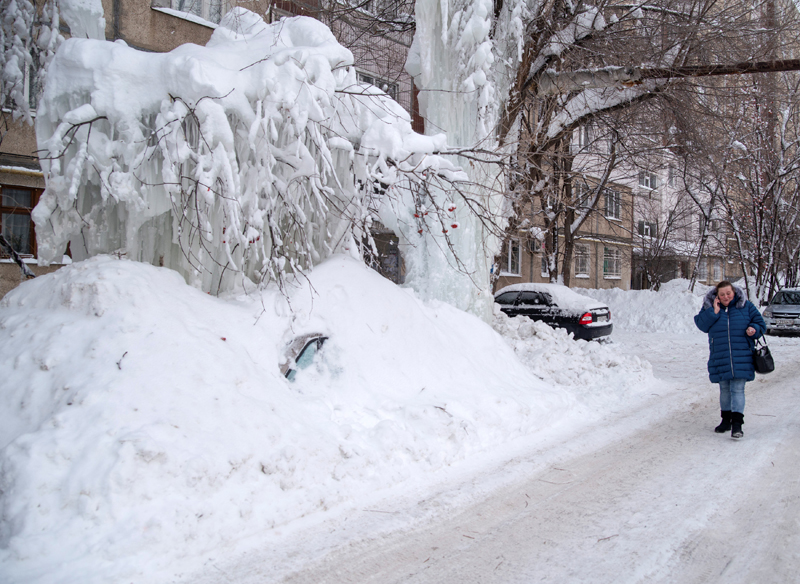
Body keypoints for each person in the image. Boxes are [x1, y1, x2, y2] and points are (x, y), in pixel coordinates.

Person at [694, 280, 766, 438]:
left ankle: (737, 425)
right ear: (717, 296)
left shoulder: (745, 306)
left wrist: (754, 329)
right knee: (725, 390)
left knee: (738, 389)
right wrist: (714, 311)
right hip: (720, 355)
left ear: (734, 292)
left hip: (742, 355)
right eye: (722, 294)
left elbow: (760, 323)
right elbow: (701, 325)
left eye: (728, 293)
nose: (726, 296)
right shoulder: (710, 307)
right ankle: (726, 421)